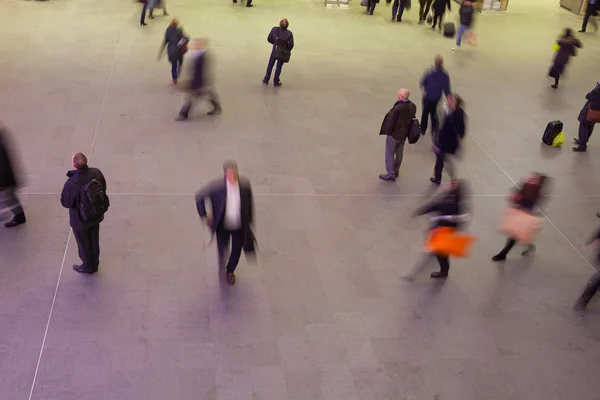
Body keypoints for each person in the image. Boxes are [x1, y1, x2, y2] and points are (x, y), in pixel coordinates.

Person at [195, 161, 256, 285]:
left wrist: (249, 222)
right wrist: (205, 215)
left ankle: (230, 270)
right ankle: (222, 261)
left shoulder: (244, 186)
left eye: (234, 174)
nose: (232, 177)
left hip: (239, 225)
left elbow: (249, 204)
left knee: (236, 250)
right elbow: (199, 197)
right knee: (222, 247)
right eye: (229, 174)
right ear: (225, 175)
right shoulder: (217, 188)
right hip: (223, 225)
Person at [60, 153, 109, 275]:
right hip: (96, 214)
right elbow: (103, 187)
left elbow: (66, 202)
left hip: (80, 220)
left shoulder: (71, 183)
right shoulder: (96, 173)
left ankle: (87, 266)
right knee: (94, 240)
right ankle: (94, 263)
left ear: (74, 164)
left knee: (83, 244)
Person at [411, 180, 469, 278]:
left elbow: (435, 206)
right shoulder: (454, 200)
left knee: (442, 254)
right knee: (437, 247)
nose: (448, 184)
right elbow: (435, 205)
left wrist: (420, 211)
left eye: (452, 184)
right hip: (443, 229)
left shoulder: (451, 203)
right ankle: (437, 253)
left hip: (444, 231)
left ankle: (444, 271)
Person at [491, 173, 547, 262]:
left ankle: (503, 254)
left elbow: (531, 201)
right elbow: (519, 191)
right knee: (519, 234)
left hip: (524, 213)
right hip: (520, 211)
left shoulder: (535, 189)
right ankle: (529, 246)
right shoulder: (529, 184)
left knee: (515, 235)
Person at [176, 38, 222, 120]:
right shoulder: (199, 55)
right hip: (202, 81)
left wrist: (196, 85)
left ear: (202, 45)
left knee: (191, 98)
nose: (195, 46)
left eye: (198, 44)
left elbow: (200, 72)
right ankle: (217, 108)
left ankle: (183, 114)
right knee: (208, 94)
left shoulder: (202, 57)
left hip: (200, 82)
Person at [378, 88, 417, 182]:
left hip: (394, 134)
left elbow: (391, 122)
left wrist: (388, 132)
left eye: (398, 93)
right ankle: (396, 170)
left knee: (389, 153)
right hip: (404, 134)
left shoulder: (398, 108)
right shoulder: (412, 106)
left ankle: (390, 174)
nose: (397, 93)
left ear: (401, 96)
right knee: (399, 152)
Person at [431, 94, 466, 185]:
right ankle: (443, 178)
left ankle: (440, 178)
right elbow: (462, 128)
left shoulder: (451, 116)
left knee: (441, 160)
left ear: (454, 102)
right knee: (442, 161)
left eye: (450, 100)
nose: (448, 101)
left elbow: (445, 131)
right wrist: (460, 137)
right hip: (452, 142)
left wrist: (437, 144)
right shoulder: (460, 112)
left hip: (445, 142)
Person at [0, 127, 26, 228]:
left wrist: (2, 184)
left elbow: (3, 165)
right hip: (6, 180)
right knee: (9, 198)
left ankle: (19, 217)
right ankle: (19, 216)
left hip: (5, 181)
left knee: (9, 199)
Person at [420, 55, 451, 136]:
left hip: (427, 97)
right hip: (436, 97)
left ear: (435, 62)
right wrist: (449, 97)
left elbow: (422, 82)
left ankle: (423, 129)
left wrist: (427, 89)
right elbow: (446, 88)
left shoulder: (429, 72)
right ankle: (434, 129)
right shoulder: (444, 75)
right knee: (434, 112)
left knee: (425, 113)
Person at [263, 19, 294, 87]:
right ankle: (276, 81)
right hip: (282, 52)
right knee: (279, 67)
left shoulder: (274, 30)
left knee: (270, 64)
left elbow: (269, 39)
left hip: (275, 50)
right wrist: (286, 49)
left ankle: (266, 79)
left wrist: (274, 44)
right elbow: (291, 45)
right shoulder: (289, 34)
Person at [158, 19, 188, 86]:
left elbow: (165, 41)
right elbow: (186, 38)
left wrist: (161, 52)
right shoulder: (179, 30)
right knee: (180, 63)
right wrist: (180, 43)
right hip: (179, 51)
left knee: (173, 66)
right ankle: (178, 72)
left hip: (171, 51)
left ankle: (174, 79)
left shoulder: (168, 30)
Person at [574, 82, 600, 152]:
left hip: (591, 109)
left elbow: (588, 96)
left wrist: (597, 87)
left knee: (583, 125)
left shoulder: (598, 90)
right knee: (591, 125)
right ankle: (584, 141)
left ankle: (582, 145)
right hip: (598, 111)